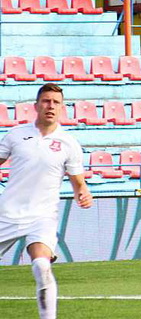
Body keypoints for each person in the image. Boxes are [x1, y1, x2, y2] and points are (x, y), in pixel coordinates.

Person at [0, 83, 93, 319]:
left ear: (62, 108)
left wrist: (83, 191)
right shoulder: (16, 135)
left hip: (42, 217)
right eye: (46, 101)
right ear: (36, 106)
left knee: (42, 267)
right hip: (7, 213)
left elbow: (77, 180)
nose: (50, 106)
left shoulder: (69, 143)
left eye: (56, 102)